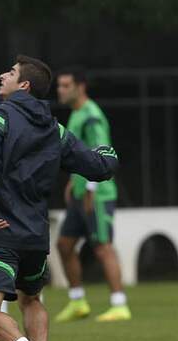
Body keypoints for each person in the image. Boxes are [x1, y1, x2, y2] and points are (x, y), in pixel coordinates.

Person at [0, 55, 118, 341]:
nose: (2, 74)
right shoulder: (55, 129)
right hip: (35, 235)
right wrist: (109, 154)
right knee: (31, 298)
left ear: (24, 86)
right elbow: (97, 165)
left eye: (11, 72)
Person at [54, 67, 130, 322]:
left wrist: (90, 189)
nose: (60, 90)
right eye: (59, 85)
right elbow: (77, 155)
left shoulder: (91, 115)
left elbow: (102, 154)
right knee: (64, 245)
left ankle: (119, 304)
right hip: (78, 192)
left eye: (66, 85)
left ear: (80, 87)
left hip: (96, 195)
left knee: (102, 246)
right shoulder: (76, 115)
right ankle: (78, 301)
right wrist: (72, 183)